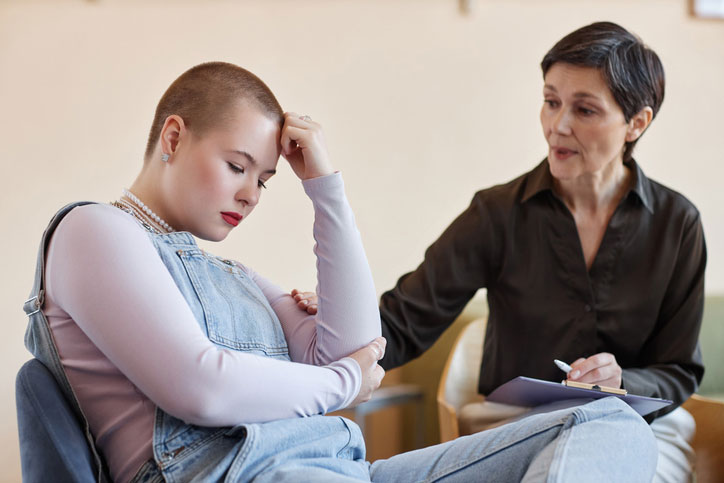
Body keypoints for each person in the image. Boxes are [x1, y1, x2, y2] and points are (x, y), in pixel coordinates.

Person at [24, 61, 658, 483]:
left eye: (266, 179)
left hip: (344, 468)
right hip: (242, 474)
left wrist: (325, 187)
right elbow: (203, 388)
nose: (251, 193)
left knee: (608, 419)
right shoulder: (93, 231)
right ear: (172, 136)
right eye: (237, 165)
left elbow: (358, 348)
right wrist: (340, 386)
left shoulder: (233, 275)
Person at [294, 21, 705, 482]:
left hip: (643, 426)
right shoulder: (496, 213)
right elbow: (406, 319)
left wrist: (625, 382)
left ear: (636, 123)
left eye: (584, 110)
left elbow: (678, 370)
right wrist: (335, 323)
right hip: (515, 425)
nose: (557, 125)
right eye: (551, 102)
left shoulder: (678, 225)